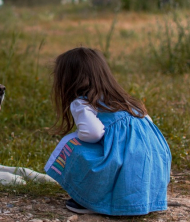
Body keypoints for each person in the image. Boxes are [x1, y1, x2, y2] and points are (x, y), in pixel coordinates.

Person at [44, 47, 171, 216]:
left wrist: (79, 137)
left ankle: (93, 200)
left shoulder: (82, 103)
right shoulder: (126, 101)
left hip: (124, 164)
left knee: (71, 144)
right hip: (154, 165)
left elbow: (93, 133)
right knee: (124, 154)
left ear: (69, 80)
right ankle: (140, 199)